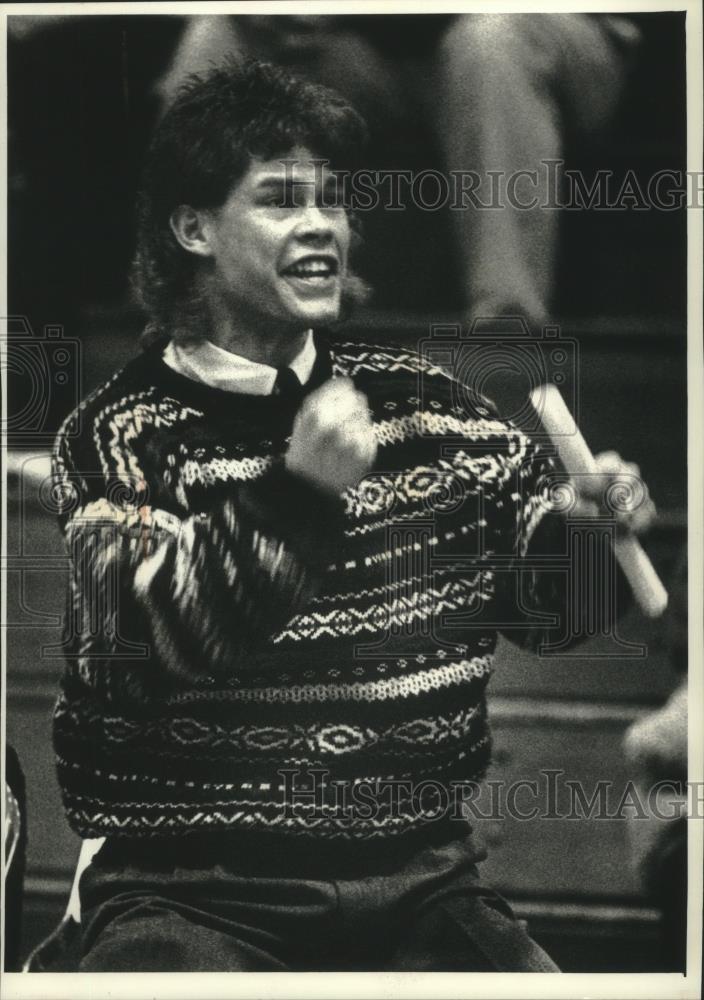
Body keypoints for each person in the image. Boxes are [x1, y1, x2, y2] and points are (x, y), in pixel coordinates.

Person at [51, 60, 655, 972]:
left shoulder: (428, 404)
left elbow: (554, 618)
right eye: (282, 201)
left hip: (419, 883)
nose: (322, 227)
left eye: (332, 203)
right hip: (196, 890)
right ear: (193, 229)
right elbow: (145, 644)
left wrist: (590, 531)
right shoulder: (119, 435)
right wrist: (295, 496)